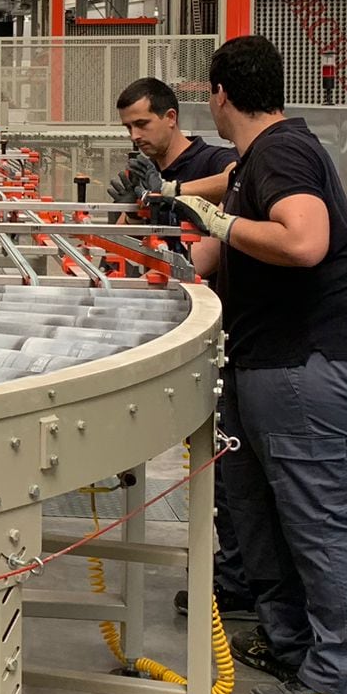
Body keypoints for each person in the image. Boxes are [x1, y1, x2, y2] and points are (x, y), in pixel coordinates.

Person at [168, 34, 347, 694]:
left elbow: (303, 241)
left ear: (219, 94)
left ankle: (343, 678)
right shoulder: (253, 159)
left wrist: (219, 223)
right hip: (269, 362)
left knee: (319, 521)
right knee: (261, 514)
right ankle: (293, 641)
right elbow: (205, 247)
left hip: (311, 361)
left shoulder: (284, 152)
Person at [105, 78, 255, 623]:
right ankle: (235, 571)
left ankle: (240, 578)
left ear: (171, 117)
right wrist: (125, 216)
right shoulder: (141, 174)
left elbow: (204, 260)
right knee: (216, 471)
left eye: (142, 123)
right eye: (127, 127)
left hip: (222, 335)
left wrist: (169, 199)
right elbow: (128, 258)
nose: (135, 135)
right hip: (166, 331)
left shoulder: (216, 164)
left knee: (231, 467)